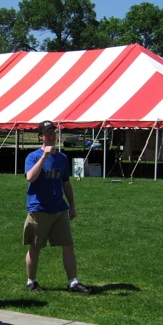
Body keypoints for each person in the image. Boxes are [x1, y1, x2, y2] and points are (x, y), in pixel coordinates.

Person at [24, 121, 93, 294]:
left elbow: (66, 183)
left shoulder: (62, 158)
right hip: (39, 208)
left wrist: (72, 206)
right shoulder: (33, 157)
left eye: (53, 132)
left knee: (68, 245)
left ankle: (73, 282)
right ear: (40, 136)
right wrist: (44, 157)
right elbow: (30, 177)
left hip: (59, 209)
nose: (51, 135)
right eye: (47, 133)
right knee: (35, 246)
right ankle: (31, 282)